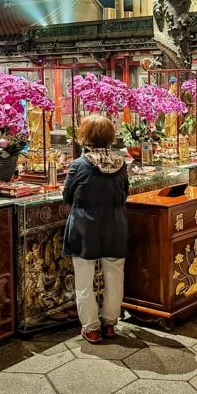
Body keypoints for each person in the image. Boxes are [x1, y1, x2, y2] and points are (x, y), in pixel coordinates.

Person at [62, 114, 130, 343]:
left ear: (85, 136)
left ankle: (91, 327)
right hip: (115, 225)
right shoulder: (121, 164)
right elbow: (125, 193)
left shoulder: (79, 165)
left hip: (85, 228)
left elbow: (67, 195)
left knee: (84, 280)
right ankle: (110, 324)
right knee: (115, 277)